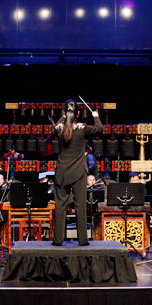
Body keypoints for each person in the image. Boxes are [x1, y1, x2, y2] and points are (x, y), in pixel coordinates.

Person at [51, 99, 103, 246]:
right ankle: (82, 240)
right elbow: (100, 129)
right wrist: (96, 116)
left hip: (62, 173)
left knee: (60, 207)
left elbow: (58, 124)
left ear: (64, 113)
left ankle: (58, 240)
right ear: (78, 113)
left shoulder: (59, 129)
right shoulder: (82, 128)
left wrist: (64, 115)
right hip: (79, 173)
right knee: (80, 206)